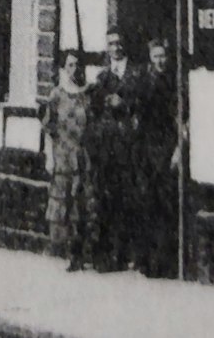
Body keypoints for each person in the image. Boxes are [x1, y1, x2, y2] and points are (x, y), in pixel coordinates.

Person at [86, 32, 142, 271]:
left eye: (119, 43)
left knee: (129, 199)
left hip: (131, 146)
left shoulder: (136, 74)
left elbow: (143, 104)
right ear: (106, 48)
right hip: (108, 148)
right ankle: (109, 256)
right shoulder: (102, 76)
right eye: (111, 44)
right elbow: (95, 113)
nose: (115, 48)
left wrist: (125, 104)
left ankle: (129, 254)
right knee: (107, 199)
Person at [42, 51, 96, 271]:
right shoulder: (56, 96)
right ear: (64, 69)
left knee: (83, 205)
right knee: (65, 205)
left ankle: (82, 252)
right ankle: (70, 254)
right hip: (63, 157)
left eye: (78, 65)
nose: (75, 69)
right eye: (71, 65)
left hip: (83, 158)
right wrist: (49, 157)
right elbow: (48, 129)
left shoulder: (88, 95)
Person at [135, 38, 179, 277]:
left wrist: (177, 149)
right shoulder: (143, 82)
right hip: (146, 146)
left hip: (166, 145)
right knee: (146, 201)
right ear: (150, 59)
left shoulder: (174, 82)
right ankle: (146, 260)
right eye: (155, 57)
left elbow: (179, 117)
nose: (160, 61)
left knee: (164, 204)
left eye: (163, 56)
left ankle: (162, 263)